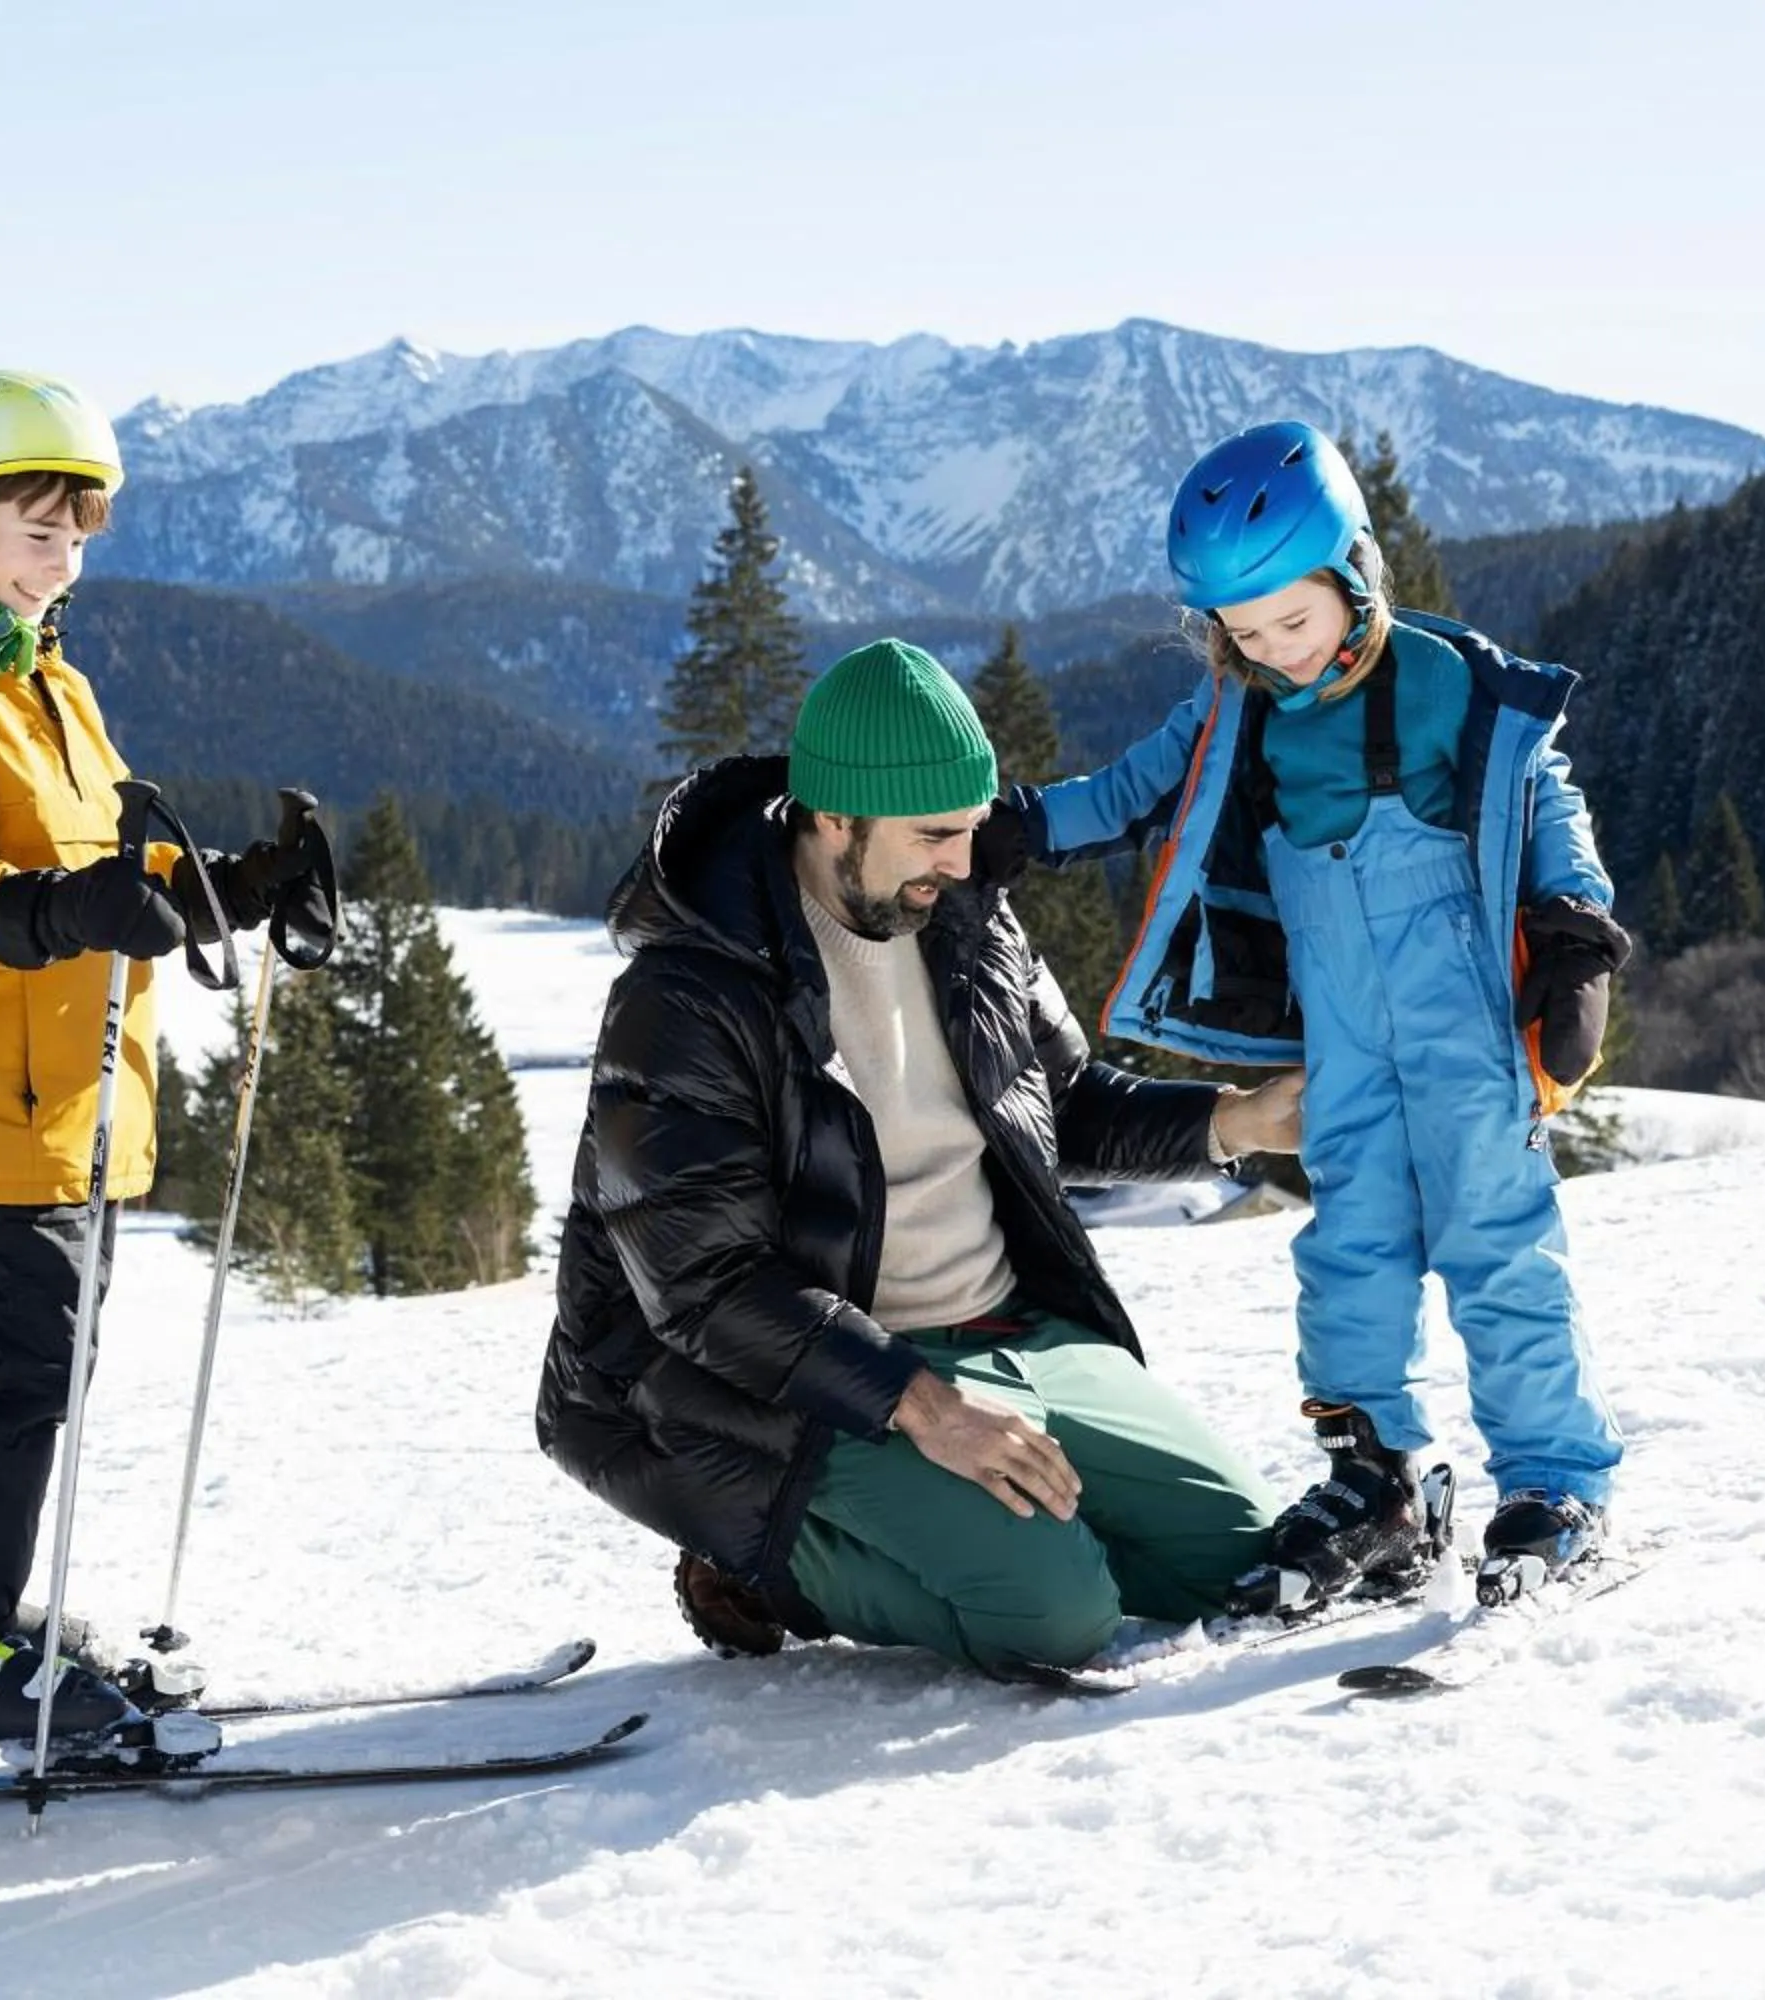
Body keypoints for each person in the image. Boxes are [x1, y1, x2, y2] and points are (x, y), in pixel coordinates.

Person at [536, 638, 1305, 1678]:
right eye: (935, 835)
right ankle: (767, 1567)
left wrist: (1239, 1121)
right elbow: (705, 1285)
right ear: (835, 818)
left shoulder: (967, 915)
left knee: (1245, 1557)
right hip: (800, 1386)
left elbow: (1057, 1104)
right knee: (1061, 1615)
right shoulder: (688, 997)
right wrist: (924, 1405)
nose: (962, 861)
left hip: (1007, 1327)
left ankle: (989, 1528)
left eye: (972, 830)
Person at [970, 421, 1629, 1611]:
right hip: (1343, 1033)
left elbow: (1541, 785)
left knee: (1496, 1240)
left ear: (1356, 571)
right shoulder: (1239, 707)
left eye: (1293, 619)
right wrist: (1025, 824)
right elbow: (1133, 790)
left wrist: (1576, 926)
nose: (1272, 649)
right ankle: (1378, 1478)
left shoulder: (1442, 677)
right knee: (1349, 1250)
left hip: (1464, 1018)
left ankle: (1553, 1479)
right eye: (1243, 630)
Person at [0, 368, 318, 1754]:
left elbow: (98, 874)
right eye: (38, 531)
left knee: (38, 1363)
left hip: (60, 1104)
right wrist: (51, 913)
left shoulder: (44, 685)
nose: (64, 561)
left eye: (80, 535)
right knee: (3, 1367)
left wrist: (229, 887)